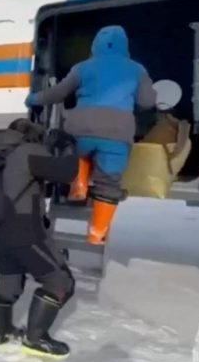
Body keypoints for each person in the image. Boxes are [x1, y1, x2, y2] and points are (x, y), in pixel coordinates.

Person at [25, 25, 157, 244]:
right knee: (109, 182)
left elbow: (59, 92)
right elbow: (147, 102)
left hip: (81, 128)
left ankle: (79, 184)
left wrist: (34, 99)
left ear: (95, 44)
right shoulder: (137, 69)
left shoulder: (82, 67)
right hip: (117, 133)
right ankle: (97, 233)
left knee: (77, 151)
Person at [0, 119, 77, 358]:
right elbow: (66, 173)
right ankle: (35, 339)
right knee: (60, 281)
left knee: (10, 284)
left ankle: (1, 332)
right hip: (24, 232)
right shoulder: (27, 151)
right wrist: (68, 146)